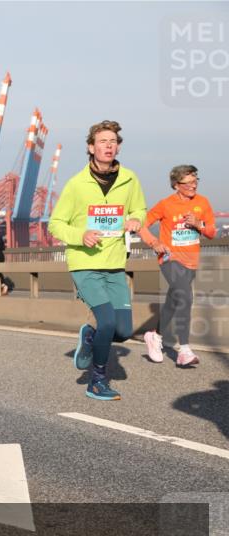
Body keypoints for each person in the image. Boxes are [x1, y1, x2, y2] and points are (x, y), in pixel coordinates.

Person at [48, 119, 145, 400]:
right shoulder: (77, 184)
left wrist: (137, 219)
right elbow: (56, 223)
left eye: (113, 141)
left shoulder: (129, 179)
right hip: (85, 263)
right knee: (106, 322)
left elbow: (140, 208)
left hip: (115, 264)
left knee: (124, 331)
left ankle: (89, 336)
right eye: (102, 141)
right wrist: (81, 235)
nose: (108, 145)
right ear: (91, 147)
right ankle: (97, 381)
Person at [138, 164, 216, 366]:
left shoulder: (203, 202)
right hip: (169, 258)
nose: (193, 185)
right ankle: (184, 350)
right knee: (186, 297)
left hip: (191, 260)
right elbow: (142, 224)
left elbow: (212, 232)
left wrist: (198, 224)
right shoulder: (166, 204)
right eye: (188, 182)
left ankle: (155, 335)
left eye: (195, 180)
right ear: (176, 185)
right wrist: (155, 242)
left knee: (174, 300)